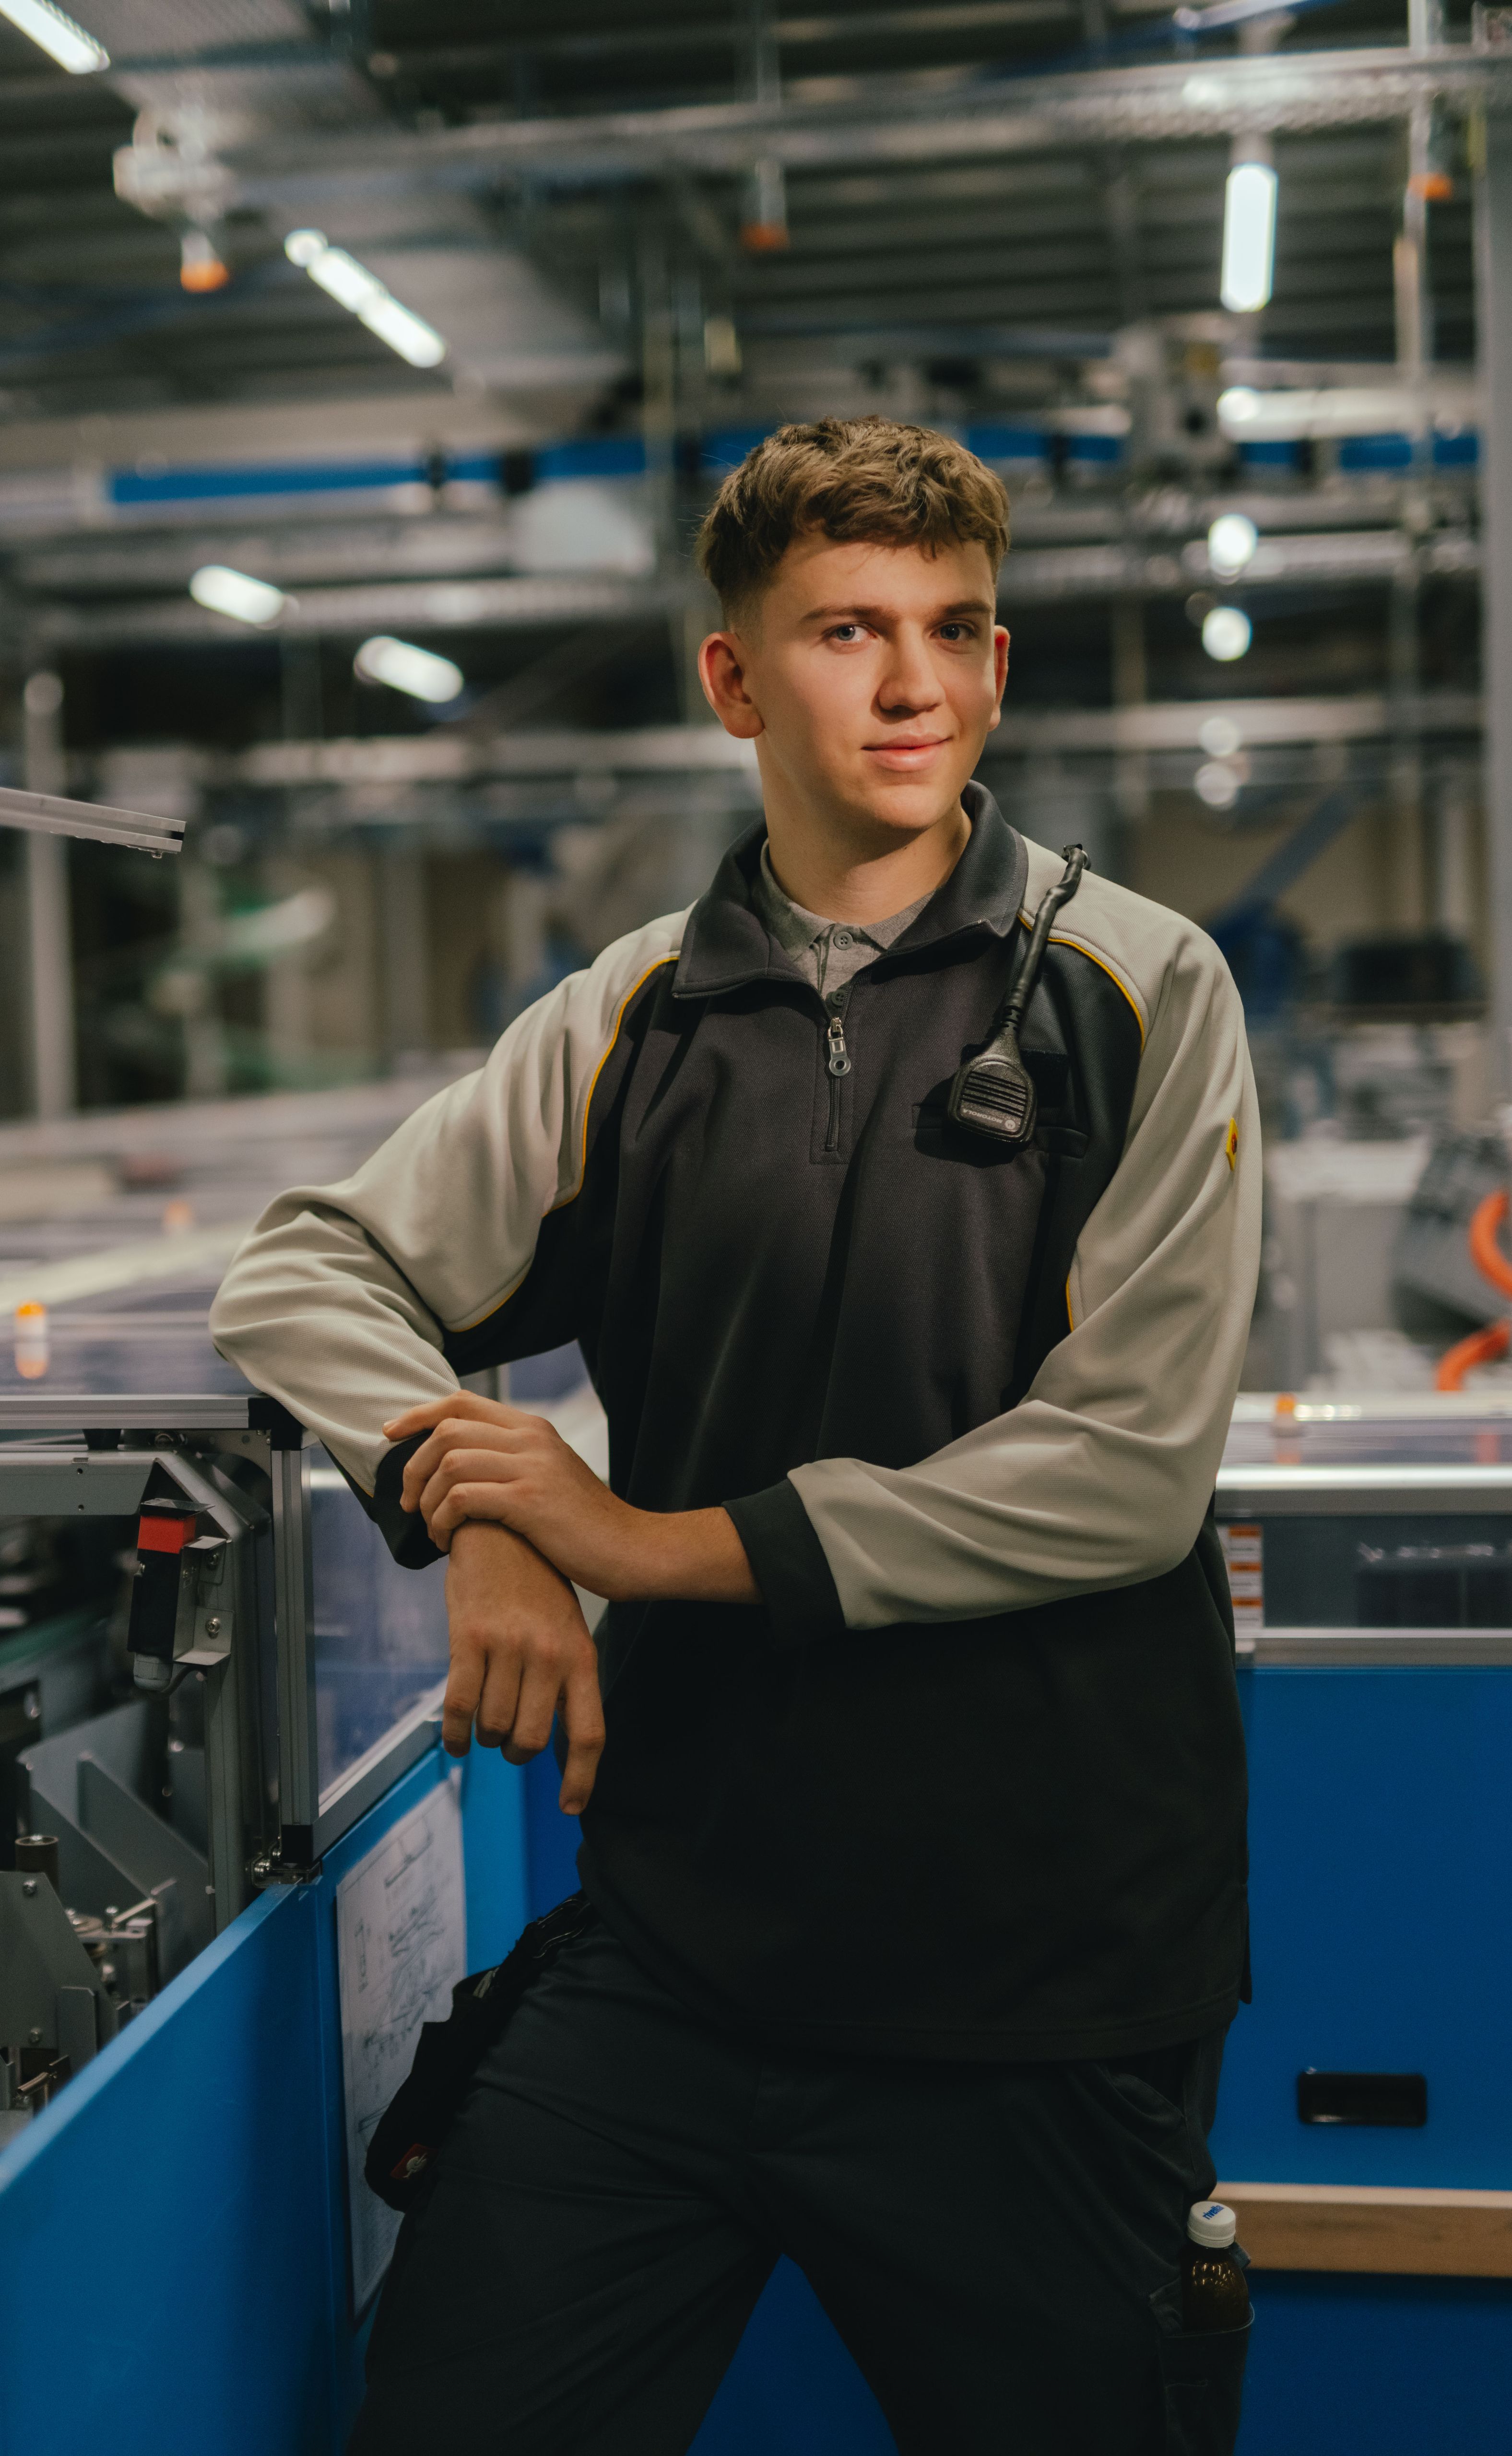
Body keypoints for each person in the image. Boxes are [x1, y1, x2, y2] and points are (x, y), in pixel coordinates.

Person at [210, 416, 1260, 2456]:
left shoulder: (1138, 988)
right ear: (732, 678)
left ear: (998, 662)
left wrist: (634, 1540)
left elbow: (1127, 1471)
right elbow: (305, 1270)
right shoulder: (634, 1015)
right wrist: (483, 1500)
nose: (913, 682)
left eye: (953, 628)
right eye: (849, 628)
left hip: (1034, 1987)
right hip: (683, 1956)